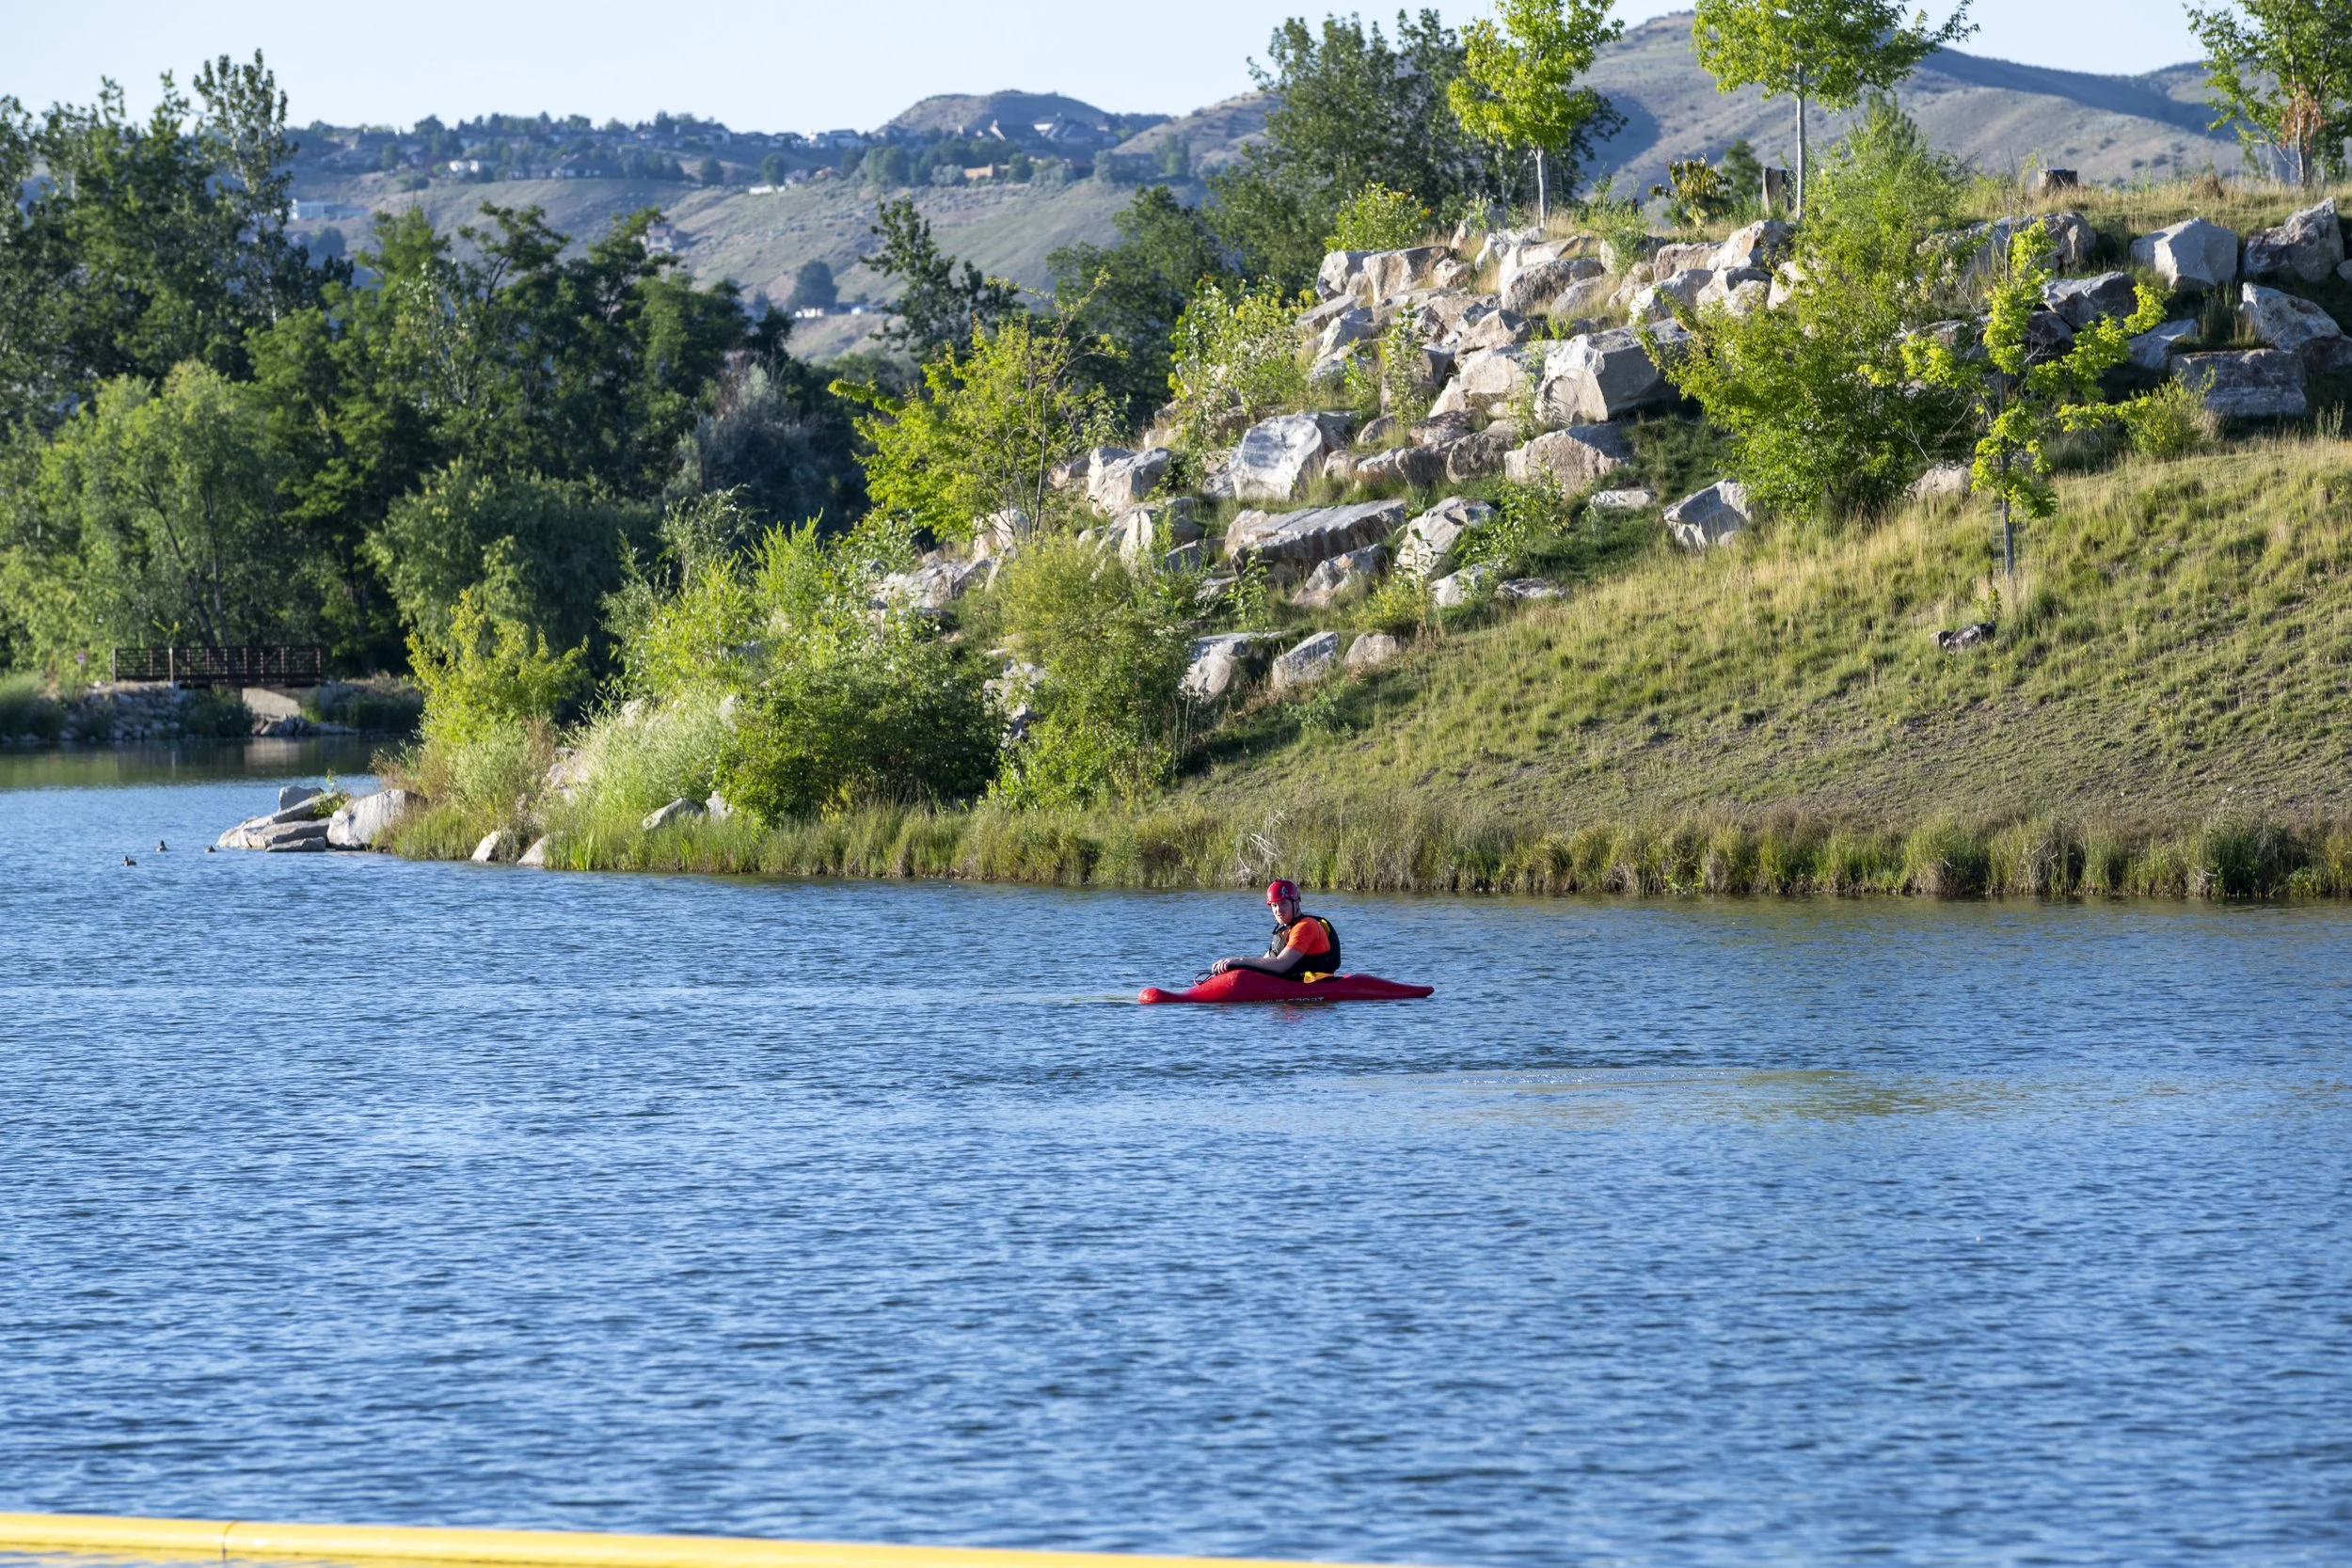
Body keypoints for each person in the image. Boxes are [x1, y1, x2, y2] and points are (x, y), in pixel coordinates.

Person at [1208, 879, 1343, 982]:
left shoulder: (1306, 926)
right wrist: (1232, 967)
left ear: (1296, 902)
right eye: (1274, 905)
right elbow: (1265, 963)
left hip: (1314, 985)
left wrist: (1238, 961)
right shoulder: (1285, 930)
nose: (1278, 910)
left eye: (1283, 903)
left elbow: (1281, 965)